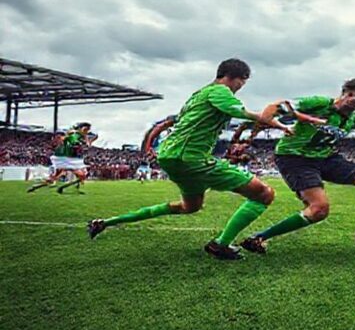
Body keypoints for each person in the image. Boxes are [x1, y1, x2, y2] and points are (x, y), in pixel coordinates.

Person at [86, 59, 293, 260]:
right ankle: (220, 245)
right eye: (243, 82)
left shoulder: (197, 95)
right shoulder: (220, 91)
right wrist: (278, 119)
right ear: (236, 78)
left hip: (172, 157)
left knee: (189, 206)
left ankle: (105, 222)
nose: (241, 87)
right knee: (263, 193)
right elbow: (243, 113)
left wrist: (149, 146)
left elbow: (170, 123)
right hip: (190, 158)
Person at [238, 78, 355, 255]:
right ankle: (259, 238)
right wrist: (269, 120)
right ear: (343, 93)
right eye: (351, 94)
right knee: (319, 209)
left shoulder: (352, 119)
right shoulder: (319, 104)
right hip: (295, 159)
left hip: (328, 158)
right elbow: (277, 106)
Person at [27, 123, 96, 194]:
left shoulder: (77, 135)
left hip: (64, 158)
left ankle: (35, 187)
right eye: (85, 129)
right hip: (66, 159)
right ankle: (62, 188)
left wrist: (85, 141)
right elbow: (74, 143)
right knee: (82, 176)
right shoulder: (75, 135)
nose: (87, 131)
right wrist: (84, 143)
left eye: (88, 129)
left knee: (54, 178)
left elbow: (74, 142)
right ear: (80, 128)